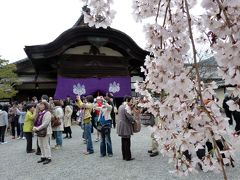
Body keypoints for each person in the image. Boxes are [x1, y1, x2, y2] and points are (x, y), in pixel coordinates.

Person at [117, 96, 135, 161]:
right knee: (127, 142)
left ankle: (124, 156)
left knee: (123, 141)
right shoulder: (126, 107)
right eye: (131, 101)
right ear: (127, 100)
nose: (131, 102)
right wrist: (134, 120)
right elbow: (129, 117)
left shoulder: (121, 106)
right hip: (125, 125)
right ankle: (128, 157)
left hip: (121, 125)